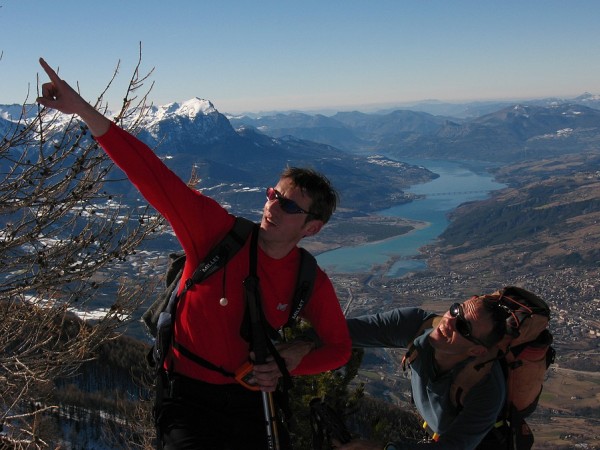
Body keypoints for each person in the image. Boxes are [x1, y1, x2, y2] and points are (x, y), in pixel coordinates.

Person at [37, 58, 352, 449]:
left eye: (289, 206)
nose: (271, 207)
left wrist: (296, 357)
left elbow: (339, 349)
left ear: (312, 228)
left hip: (251, 399)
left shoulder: (307, 278)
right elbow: (150, 172)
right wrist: (81, 109)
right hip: (185, 396)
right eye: (273, 195)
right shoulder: (216, 234)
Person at [338, 291, 512, 450]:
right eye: (456, 309)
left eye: (463, 328)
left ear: (476, 351)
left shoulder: (486, 389)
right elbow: (341, 333)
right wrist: (310, 337)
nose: (450, 320)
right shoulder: (416, 325)